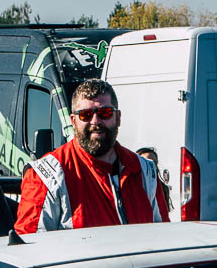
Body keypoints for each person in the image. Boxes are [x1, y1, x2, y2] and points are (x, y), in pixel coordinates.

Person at [14, 80, 168, 233]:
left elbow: (165, 238)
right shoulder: (46, 175)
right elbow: (31, 247)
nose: (95, 122)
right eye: (85, 115)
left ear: (118, 118)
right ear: (73, 121)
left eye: (105, 113)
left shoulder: (145, 171)